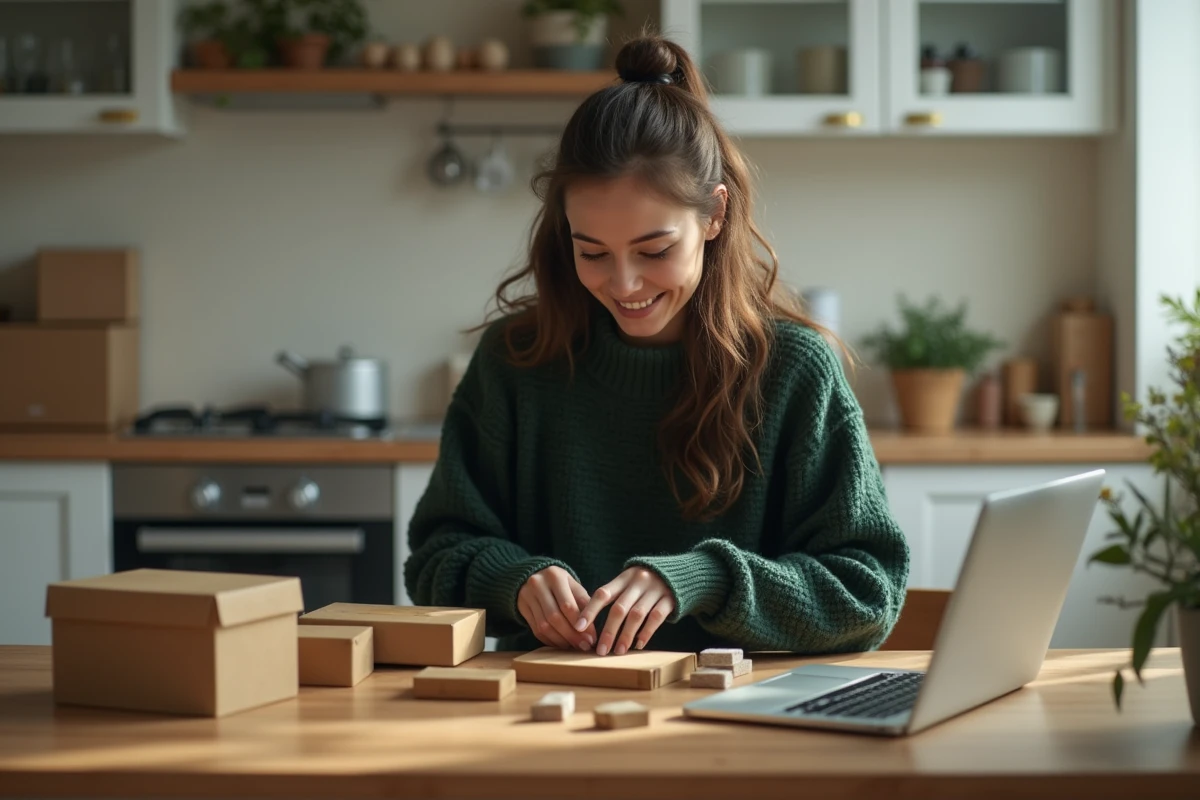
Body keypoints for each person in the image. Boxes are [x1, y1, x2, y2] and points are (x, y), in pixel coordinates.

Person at [405, 35, 909, 658]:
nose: (623, 284)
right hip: (544, 706)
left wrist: (706, 579)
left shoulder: (794, 370)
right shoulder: (513, 362)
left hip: (737, 709)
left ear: (715, 216)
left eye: (654, 250)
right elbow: (434, 557)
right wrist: (512, 579)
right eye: (592, 252)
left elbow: (868, 592)